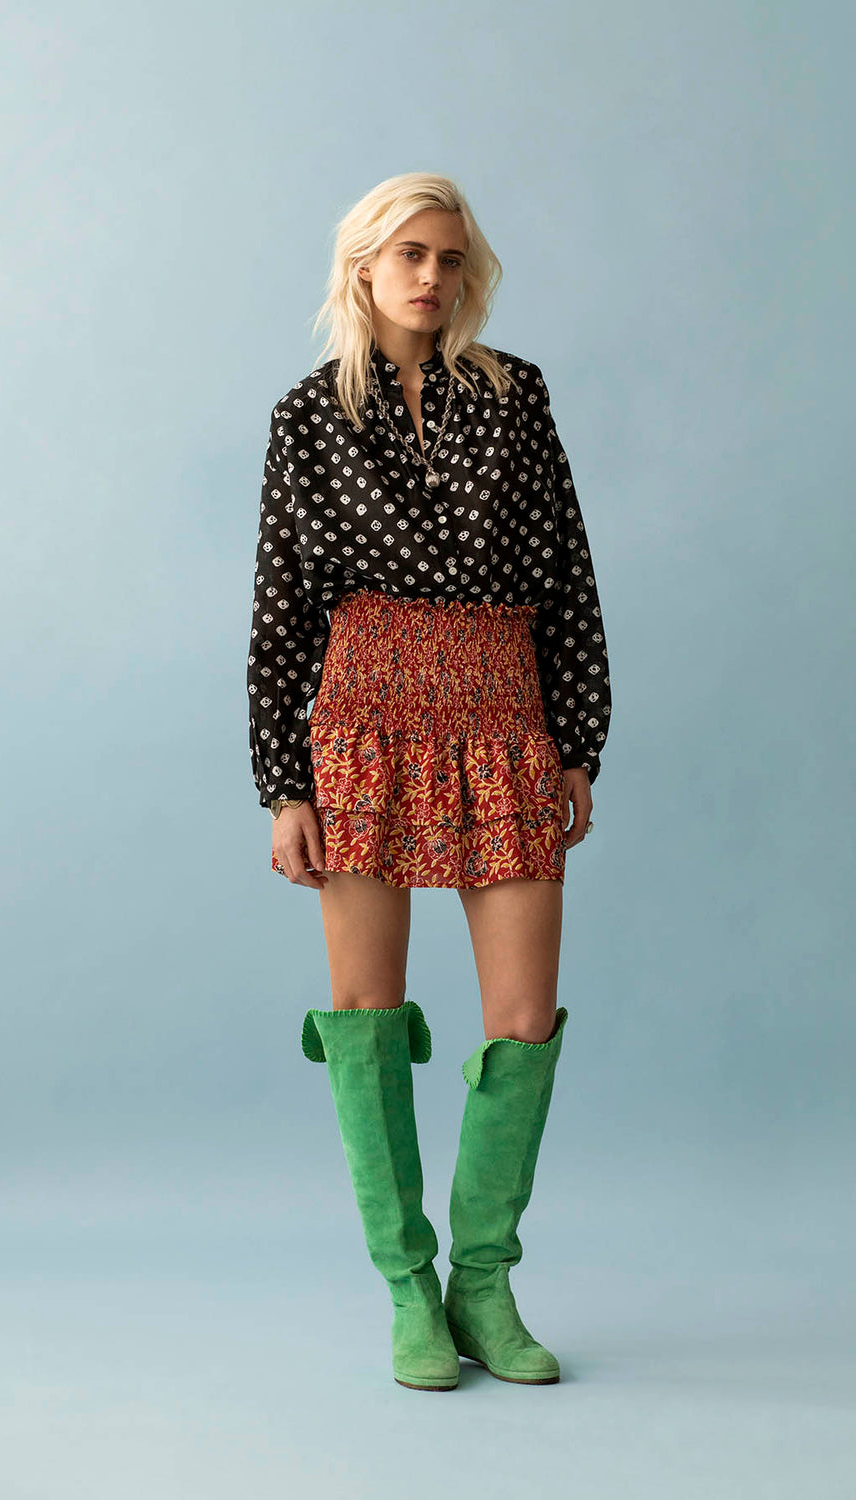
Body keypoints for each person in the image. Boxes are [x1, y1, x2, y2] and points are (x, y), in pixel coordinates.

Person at [247, 172, 611, 1391]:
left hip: (504, 710)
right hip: (359, 719)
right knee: (365, 1010)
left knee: (521, 1018)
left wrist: (577, 740)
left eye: (449, 258)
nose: (431, 277)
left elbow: (566, 575)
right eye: (408, 253)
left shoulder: (518, 400)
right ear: (362, 265)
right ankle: (407, 1286)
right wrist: (281, 781)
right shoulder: (306, 417)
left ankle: (485, 1282)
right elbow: (282, 612)